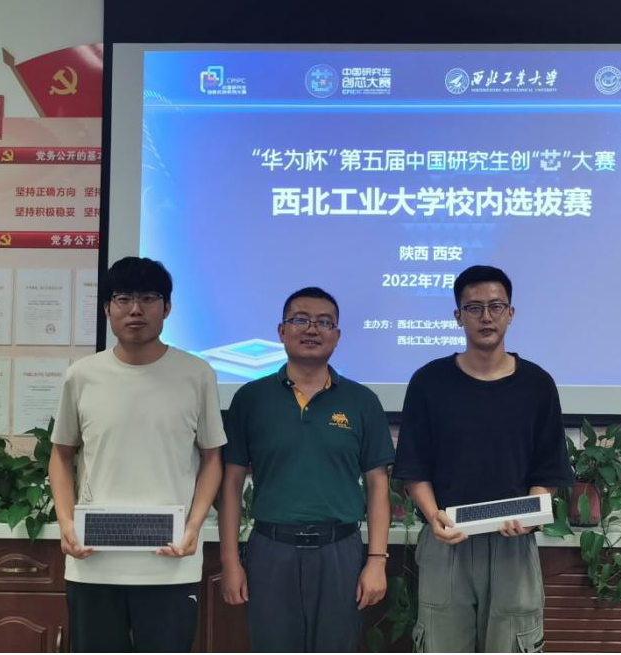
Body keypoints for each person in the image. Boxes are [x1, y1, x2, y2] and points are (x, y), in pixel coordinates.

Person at [393, 265, 574, 653]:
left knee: (514, 643)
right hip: (447, 541)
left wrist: (529, 514)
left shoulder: (537, 385)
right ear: (458, 316)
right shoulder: (428, 382)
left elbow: (548, 468)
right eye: (474, 308)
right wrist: (433, 516)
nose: (486, 317)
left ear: (511, 313)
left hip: (513, 546)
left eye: (496, 306)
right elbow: (414, 466)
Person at [49, 256, 226, 653]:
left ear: (167, 307)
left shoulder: (197, 374)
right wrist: (66, 523)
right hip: (93, 561)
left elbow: (212, 458)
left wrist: (194, 526)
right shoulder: (82, 375)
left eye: (148, 298)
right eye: (123, 298)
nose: (135, 309)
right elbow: (60, 454)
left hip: (170, 562)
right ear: (107, 308)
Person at [219, 286, 395, 653]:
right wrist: (230, 560)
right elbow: (231, 483)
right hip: (271, 550)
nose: (312, 329)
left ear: (337, 335)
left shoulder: (362, 401)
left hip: (339, 551)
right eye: (300, 320)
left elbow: (378, 484)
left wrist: (377, 561)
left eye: (324, 322)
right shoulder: (251, 399)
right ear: (281, 331)